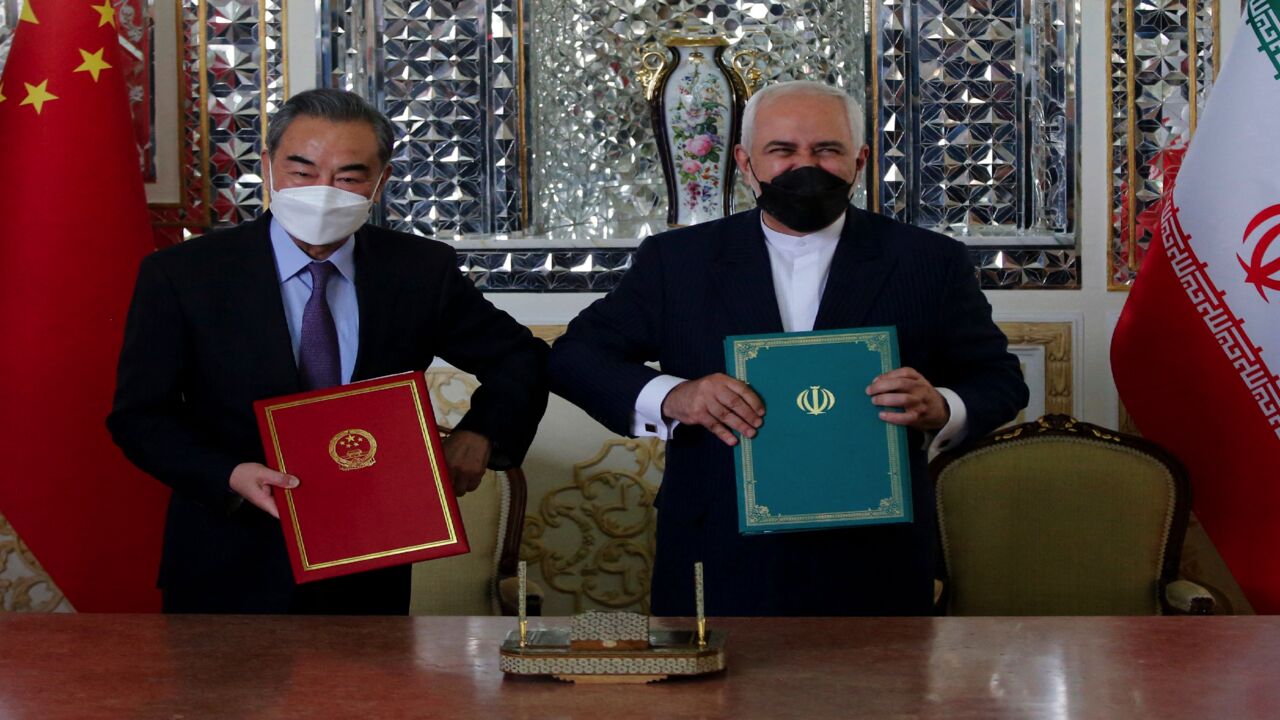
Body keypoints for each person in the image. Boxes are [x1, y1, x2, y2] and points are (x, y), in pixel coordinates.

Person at [548, 80, 1028, 616]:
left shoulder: (929, 261)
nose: (807, 165)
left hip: (875, 547)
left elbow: (999, 380)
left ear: (860, 160)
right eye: (782, 150)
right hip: (717, 543)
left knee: (885, 699)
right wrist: (674, 396)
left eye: (827, 149)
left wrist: (941, 406)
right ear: (745, 161)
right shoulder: (676, 261)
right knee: (711, 702)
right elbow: (575, 357)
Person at [108, 89, 549, 615]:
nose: (323, 190)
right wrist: (228, 475)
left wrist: (481, 435)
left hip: (368, 560)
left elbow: (521, 357)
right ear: (269, 167)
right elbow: (140, 416)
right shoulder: (183, 275)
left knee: (364, 699)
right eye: (302, 171)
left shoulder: (417, 272)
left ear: (379, 182)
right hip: (227, 557)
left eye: (347, 177)